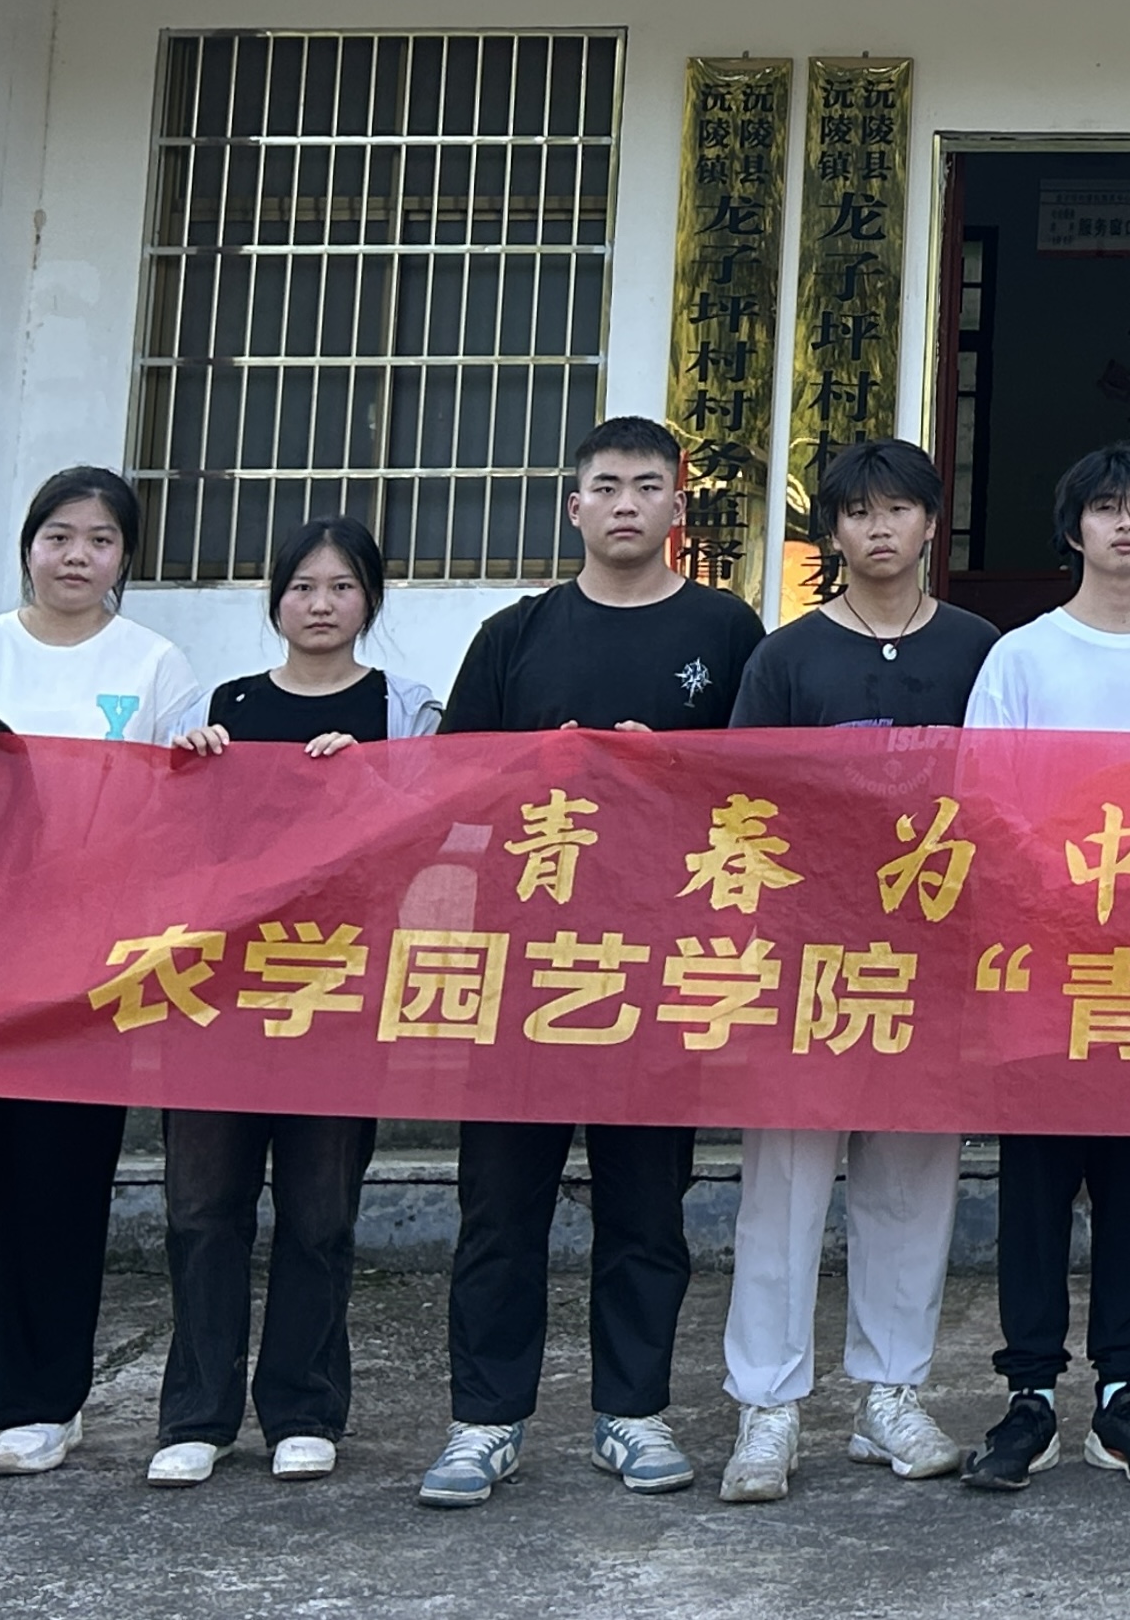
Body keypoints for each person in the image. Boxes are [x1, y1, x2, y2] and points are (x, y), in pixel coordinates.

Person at [417, 417, 762, 1511]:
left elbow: (766, 793)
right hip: (525, 970)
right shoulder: (513, 636)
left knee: (647, 1205)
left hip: (661, 965)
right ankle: (485, 1421)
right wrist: (540, 767)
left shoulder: (727, 629)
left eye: (647, 486)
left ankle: (633, 1412)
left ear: (677, 509)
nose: (625, 504)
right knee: (499, 1205)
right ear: (573, 507)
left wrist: (671, 773)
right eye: (605, 486)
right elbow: (450, 794)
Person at [0, 465, 201, 1486]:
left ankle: (39, 1403)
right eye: (59, 535)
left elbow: (182, 815)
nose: (77, 556)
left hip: (87, 974)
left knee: (60, 1186)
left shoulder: (154, 663)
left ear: (124, 558)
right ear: (28, 545)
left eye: (100, 540)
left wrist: (202, 757)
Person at [713, 440, 993, 1507]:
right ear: (832, 530)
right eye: (859, 512)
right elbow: (743, 806)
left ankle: (891, 1395)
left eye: (899, 509)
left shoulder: (979, 649)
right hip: (807, 961)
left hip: (933, 959)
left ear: (931, 522)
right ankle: (767, 1407)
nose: (880, 529)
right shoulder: (786, 658)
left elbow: (1016, 793)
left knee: (912, 1183)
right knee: (782, 1184)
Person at [146, 517, 438, 1491]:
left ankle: (304, 1410)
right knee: (201, 1207)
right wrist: (188, 769)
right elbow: (168, 843)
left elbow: (437, 833)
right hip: (218, 996)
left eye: (342, 586)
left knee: (319, 1212)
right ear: (274, 599)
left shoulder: (403, 710)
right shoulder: (219, 705)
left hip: (337, 990)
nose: (320, 604)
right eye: (302, 586)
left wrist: (371, 785)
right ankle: (196, 1415)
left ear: (371, 600)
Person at [961, 439, 1130, 1496]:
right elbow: (982, 800)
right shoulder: (1023, 656)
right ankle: (1028, 1393)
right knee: (1034, 1187)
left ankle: (1124, 1393)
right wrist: (1057, 885)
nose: (1125, 525)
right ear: (1073, 528)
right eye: (1105, 507)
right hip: (1044, 960)